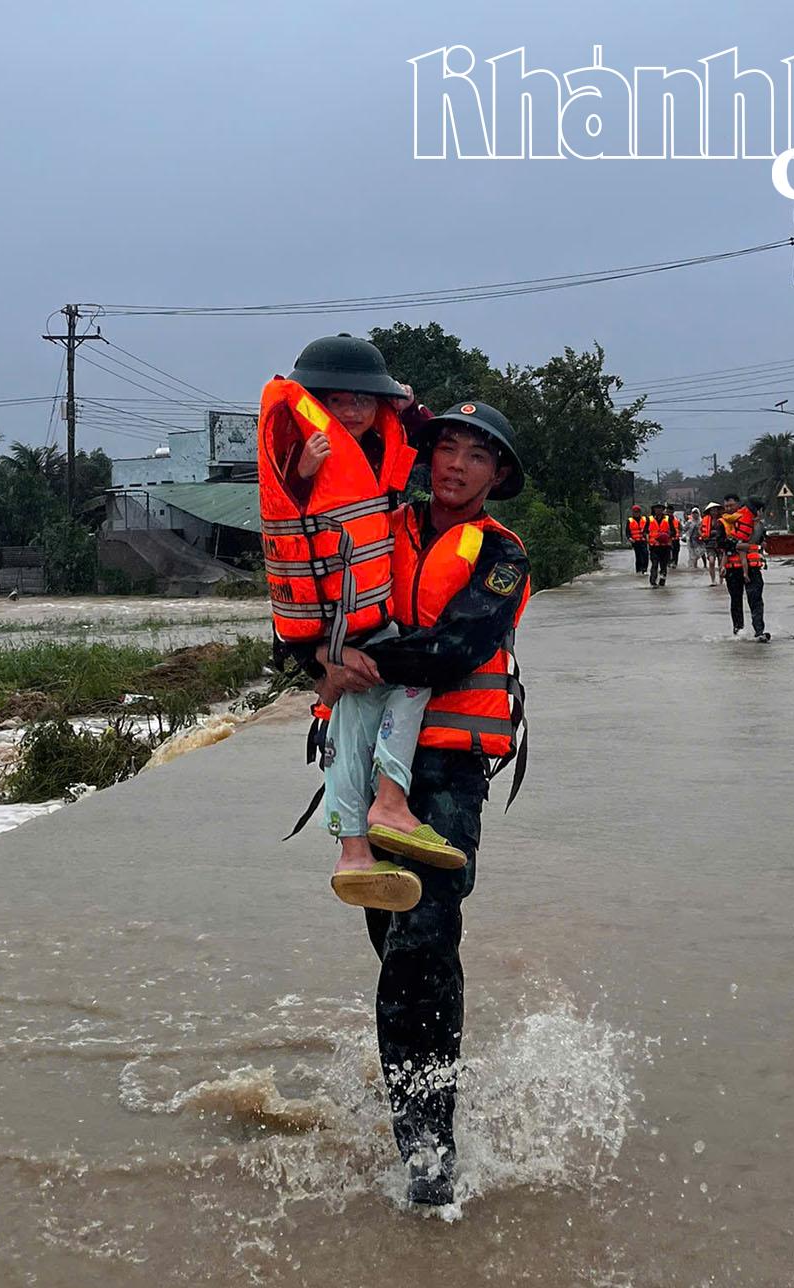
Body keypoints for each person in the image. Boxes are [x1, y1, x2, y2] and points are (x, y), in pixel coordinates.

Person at [314, 401, 530, 1208]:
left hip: (446, 772)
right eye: (447, 447)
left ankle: (429, 1156)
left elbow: (458, 648)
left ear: (498, 477)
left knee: (423, 943)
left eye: (479, 455)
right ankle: (421, 1109)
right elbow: (310, 604)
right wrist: (320, 658)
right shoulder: (376, 526)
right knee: (395, 941)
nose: (458, 464)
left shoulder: (502, 556)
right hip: (366, 763)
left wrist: (353, 661)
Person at [259, 334, 465, 916]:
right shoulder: (301, 448)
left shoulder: (384, 449)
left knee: (352, 728)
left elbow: (428, 442)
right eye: (338, 400)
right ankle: (388, 805)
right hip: (332, 630)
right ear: (315, 401)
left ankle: (353, 851)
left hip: (360, 627)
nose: (351, 411)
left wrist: (410, 408)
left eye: (364, 401)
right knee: (402, 689)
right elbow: (287, 512)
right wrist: (323, 660)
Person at [721, 493, 769, 641]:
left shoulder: (758, 525)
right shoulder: (723, 523)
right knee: (736, 600)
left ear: (739, 505)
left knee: (755, 599)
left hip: (752, 567)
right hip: (733, 568)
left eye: (732, 505)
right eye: (726, 506)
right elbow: (721, 544)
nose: (729, 508)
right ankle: (738, 631)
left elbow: (762, 543)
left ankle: (759, 632)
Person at [645, 502, 675, 587]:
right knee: (654, 564)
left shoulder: (668, 519)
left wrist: (667, 535)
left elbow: (674, 532)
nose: (658, 510)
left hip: (665, 546)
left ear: (663, 509)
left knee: (663, 565)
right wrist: (648, 539)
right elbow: (645, 531)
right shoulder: (649, 519)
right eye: (656, 508)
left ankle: (662, 581)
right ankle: (653, 582)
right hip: (654, 546)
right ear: (654, 509)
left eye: (660, 508)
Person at [699, 502, 723, 586]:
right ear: (709, 511)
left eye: (716, 510)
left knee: (721, 562)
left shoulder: (722, 519)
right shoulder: (705, 519)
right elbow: (700, 529)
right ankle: (713, 580)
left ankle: (721, 581)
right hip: (709, 543)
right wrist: (702, 535)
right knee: (711, 561)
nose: (714, 512)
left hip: (720, 543)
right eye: (712, 510)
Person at [625, 504, 649, 576]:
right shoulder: (630, 521)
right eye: (635, 512)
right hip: (635, 541)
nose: (636, 513)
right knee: (638, 556)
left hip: (643, 540)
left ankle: (644, 569)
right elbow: (627, 532)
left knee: (645, 555)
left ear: (640, 512)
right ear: (633, 512)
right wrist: (630, 538)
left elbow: (649, 528)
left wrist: (647, 535)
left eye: (638, 511)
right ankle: (638, 570)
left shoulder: (645, 519)